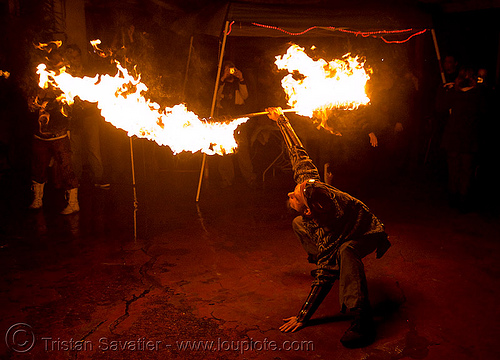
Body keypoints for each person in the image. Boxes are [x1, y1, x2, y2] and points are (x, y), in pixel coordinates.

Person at [266, 107, 390, 348]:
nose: (293, 191)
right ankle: (325, 259)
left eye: (295, 195)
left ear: (311, 208)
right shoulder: (310, 190)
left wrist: (303, 316)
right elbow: (297, 151)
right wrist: (281, 119)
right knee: (298, 224)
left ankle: (362, 321)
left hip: (366, 231)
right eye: (295, 197)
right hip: (339, 230)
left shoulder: (316, 202)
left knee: (346, 251)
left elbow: (297, 152)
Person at [436, 67, 484, 211]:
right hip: (466, 138)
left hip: (456, 137)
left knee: (455, 169)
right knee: (465, 170)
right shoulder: (476, 95)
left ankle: (455, 198)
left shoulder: (458, 94)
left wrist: (445, 91)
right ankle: (461, 199)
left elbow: (440, 107)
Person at [28, 86, 80, 215]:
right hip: (40, 137)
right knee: (38, 167)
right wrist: (36, 104)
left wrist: (55, 104)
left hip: (59, 136)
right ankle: (37, 200)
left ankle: (73, 203)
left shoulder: (62, 85)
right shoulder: (36, 87)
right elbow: (30, 107)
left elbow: (69, 111)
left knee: (66, 168)